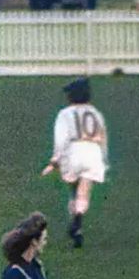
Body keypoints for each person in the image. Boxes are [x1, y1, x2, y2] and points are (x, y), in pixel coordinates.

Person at [40, 78, 108, 248]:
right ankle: (78, 219)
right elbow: (103, 137)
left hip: (74, 152)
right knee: (84, 192)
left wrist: (55, 160)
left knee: (73, 191)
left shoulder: (65, 114)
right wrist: (104, 159)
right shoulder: (95, 113)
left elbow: (61, 139)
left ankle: (76, 223)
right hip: (93, 152)